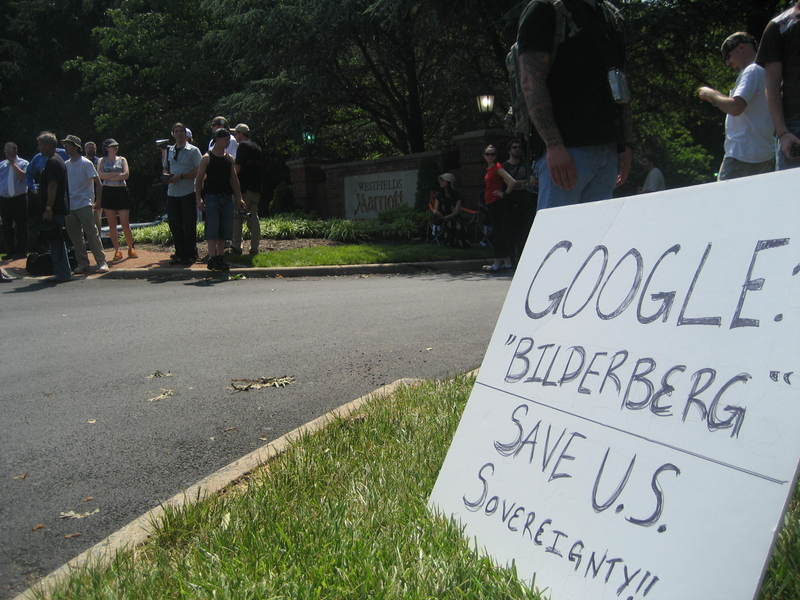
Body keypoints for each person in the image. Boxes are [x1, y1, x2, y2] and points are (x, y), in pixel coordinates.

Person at [517, 0, 633, 210]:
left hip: (607, 150)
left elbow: (620, 82)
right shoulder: (545, 9)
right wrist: (553, 145)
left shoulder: (608, 14)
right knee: (556, 238)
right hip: (567, 153)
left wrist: (624, 144)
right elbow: (531, 83)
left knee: (596, 239)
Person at [697, 32, 774, 180]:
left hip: (742, 154)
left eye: (728, 56)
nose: (727, 63)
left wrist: (710, 94)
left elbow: (735, 107)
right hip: (763, 154)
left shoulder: (752, 71)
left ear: (741, 48)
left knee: (723, 201)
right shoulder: (764, 72)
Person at [757, 2, 800, 170]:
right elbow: (772, 84)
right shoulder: (779, 26)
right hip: (795, 126)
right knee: (793, 194)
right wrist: (783, 133)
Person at [195, 128, 244, 272]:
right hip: (211, 197)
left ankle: (220, 257)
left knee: (224, 228)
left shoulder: (229, 159)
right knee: (212, 227)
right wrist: (199, 199)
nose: (227, 141)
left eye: (229, 139)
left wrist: (239, 197)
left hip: (226, 197)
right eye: (225, 139)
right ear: (217, 139)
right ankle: (212, 257)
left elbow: (234, 180)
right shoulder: (206, 158)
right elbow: (198, 181)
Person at [61, 135, 109, 274]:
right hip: (70, 206)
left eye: (68, 145)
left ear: (75, 146)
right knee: (76, 237)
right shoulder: (66, 165)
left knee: (92, 234)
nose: (65, 147)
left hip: (85, 203)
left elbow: (98, 183)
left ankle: (102, 261)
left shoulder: (86, 163)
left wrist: (98, 201)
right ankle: (83, 263)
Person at [164, 122, 203, 265]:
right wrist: (167, 177)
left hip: (188, 192)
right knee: (174, 224)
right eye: (176, 131)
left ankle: (191, 253)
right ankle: (179, 253)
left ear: (186, 134)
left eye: (182, 131)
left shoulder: (193, 151)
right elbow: (166, 168)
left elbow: (200, 171)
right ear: (173, 133)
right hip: (172, 193)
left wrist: (181, 176)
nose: (179, 133)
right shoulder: (169, 150)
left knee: (188, 224)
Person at [37, 132, 71, 282]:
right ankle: (62, 272)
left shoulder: (53, 162)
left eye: (40, 144)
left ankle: (63, 273)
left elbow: (52, 186)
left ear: (48, 145)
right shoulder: (56, 160)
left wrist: (49, 207)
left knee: (56, 240)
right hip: (58, 207)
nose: (39, 147)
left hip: (55, 208)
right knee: (56, 240)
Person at [98, 139, 136, 261]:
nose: (115, 148)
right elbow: (100, 175)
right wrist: (116, 175)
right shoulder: (101, 160)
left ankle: (131, 247)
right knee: (112, 224)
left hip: (121, 192)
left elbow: (126, 175)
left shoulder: (122, 159)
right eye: (112, 146)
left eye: (116, 146)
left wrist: (109, 175)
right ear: (106, 148)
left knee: (125, 223)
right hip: (108, 192)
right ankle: (117, 250)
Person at [482, 144, 519, 272]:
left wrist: (504, 194)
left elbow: (512, 182)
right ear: (484, 156)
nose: (490, 156)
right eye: (487, 154)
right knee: (499, 233)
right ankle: (507, 262)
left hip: (497, 204)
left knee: (498, 234)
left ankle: (498, 262)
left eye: (492, 154)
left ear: (496, 156)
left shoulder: (497, 167)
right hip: (491, 204)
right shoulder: (489, 169)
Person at [502, 138, 537, 265]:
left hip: (525, 203)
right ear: (509, 150)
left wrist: (516, 184)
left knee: (525, 232)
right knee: (511, 233)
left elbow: (532, 182)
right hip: (510, 204)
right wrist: (521, 183)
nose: (517, 149)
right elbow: (506, 183)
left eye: (519, 147)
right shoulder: (504, 166)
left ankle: (524, 261)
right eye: (514, 147)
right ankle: (512, 260)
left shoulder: (526, 166)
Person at [232, 123, 263, 255]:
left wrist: (230, 180)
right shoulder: (257, 147)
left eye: (236, 133)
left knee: (237, 217)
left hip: (244, 189)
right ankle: (255, 247)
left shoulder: (242, 146)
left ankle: (236, 247)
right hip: (256, 188)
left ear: (241, 134)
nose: (234, 136)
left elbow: (237, 168)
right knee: (253, 217)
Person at [0, 142, 30, 258]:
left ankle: (21, 251)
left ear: (15, 150)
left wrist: (13, 164)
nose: (6, 153)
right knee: (6, 226)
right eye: (5, 150)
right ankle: (10, 251)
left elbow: (23, 177)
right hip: (4, 199)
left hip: (19, 198)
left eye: (9, 150)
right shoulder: (2, 165)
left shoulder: (23, 163)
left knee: (21, 225)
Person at [430, 173, 465, 247]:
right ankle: (449, 242)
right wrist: (436, 212)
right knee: (448, 223)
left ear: (448, 182)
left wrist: (447, 217)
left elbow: (456, 211)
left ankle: (459, 242)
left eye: (442, 181)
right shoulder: (439, 195)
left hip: (453, 215)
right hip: (443, 216)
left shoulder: (457, 194)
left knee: (457, 224)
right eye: (440, 180)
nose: (440, 182)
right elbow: (435, 208)